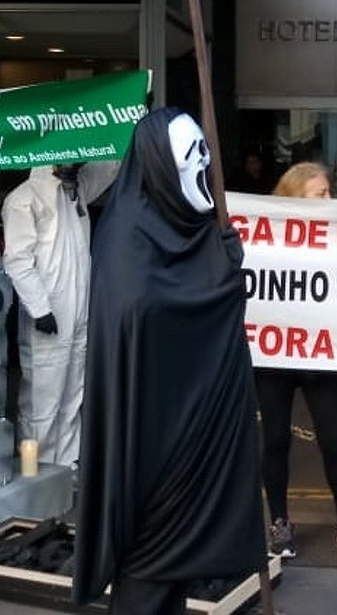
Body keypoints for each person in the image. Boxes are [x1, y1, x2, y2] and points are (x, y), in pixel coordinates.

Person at [73, 108, 265, 614]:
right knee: (150, 578)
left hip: (189, 426)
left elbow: (208, 317)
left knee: (174, 580)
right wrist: (220, 279)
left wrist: (223, 269)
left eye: (205, 149)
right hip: (150, 444)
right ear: (160, 166)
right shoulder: (126, 238)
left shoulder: (184, 228)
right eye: (191, 153)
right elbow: (146, 316)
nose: (204, 162)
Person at [256, 162, 337, 559]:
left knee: (333, 439)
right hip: (275, 354)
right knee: (275, 439)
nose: (329, 199)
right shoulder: (266, 238)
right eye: (320, 194)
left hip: (321, 352)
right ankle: (279, 522)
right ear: (293, 199)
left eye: (329, 192)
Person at [1, 161, 118, 468]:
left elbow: (110, 167)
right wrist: (40, 308)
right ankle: (36, 468)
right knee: (43, 398)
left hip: (77, 312)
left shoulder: (76, 190)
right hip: (48, 316)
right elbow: (17, 261)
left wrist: (123, 131)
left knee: (72, 393)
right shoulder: (25, 198)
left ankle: (67, 465)